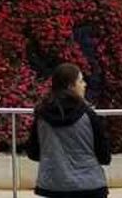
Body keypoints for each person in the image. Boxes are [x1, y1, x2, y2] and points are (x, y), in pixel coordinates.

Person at [24, 63, 111, 198]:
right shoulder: (89, 115)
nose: (85, 85)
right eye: (81, 81)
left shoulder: (41, 116)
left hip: (52, 186)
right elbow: (104, 155)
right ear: (71, 86)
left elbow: (33, 152)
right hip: (90, 185)